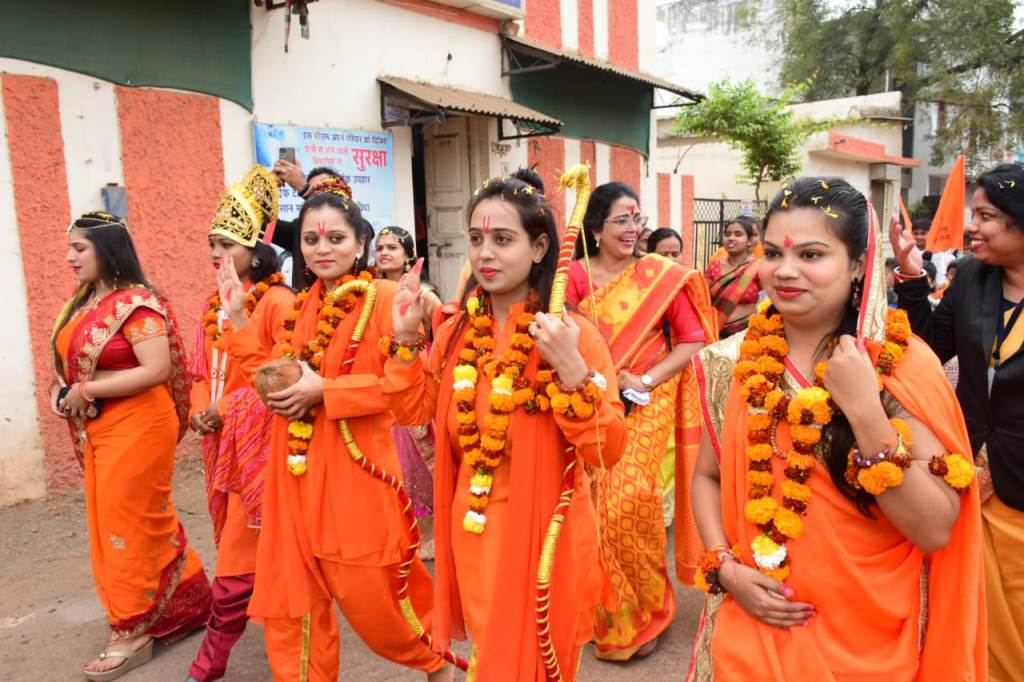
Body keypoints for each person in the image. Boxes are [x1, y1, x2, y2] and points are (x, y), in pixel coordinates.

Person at [687, 177, 984, 680]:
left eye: (811, 254)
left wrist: (866, 410)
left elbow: (934, 530)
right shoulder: (730, 363)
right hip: (753, 632)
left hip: (870, 639)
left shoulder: (902, 367)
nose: (785, 271)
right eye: (773, 253)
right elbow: (707, 477)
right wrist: (724, 568)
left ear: (857, 266)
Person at [383, 171, 627, 680]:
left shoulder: (569, 334)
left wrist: (573, 372)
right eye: (476, 239)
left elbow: (607, 450)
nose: (484, 254)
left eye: (502, 239)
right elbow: (414, 414)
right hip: (474, 533)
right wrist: (407, 344)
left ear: (540, 248)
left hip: (547, 543)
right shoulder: (455, 332)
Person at [216, 178, 452, 681]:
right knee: (291, 607)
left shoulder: (386, 297)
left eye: (336, 238)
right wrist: (238, 321)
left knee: (376, 604)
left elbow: (405, 398)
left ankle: (436, 664)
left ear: (361, 243)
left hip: (354, 475)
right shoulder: (302, 306)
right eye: (311, 239)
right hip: (292, 475)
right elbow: (274, 379)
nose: (322, 249)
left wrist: (329, 392)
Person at [50, 212, 211, 681]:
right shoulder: (82, 303)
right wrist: (60, 393)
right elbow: (68, 365)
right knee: (114, 520)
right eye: (70, 248)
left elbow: (155, 369)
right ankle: (187, 602)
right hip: (100, 426)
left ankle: (133, 628)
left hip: (141, 423)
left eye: (79, 248)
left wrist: (86, 392)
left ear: (107, 248)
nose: (69, 257)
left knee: (129, 520)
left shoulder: (137, 303)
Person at [565, 181, 717, 660]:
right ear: (596, 227)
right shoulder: (572, 277)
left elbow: (694, 340)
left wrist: (647, 379)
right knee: (589, 507)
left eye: (637, 219)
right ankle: (602, 611)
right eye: (622, 220)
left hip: (645, 397)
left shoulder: (661, 276)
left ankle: (648, 612)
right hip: (588, 400)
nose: (634, 229)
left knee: (629, 503)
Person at [892, 162, 1024, 681]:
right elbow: (924, 347)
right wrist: (908, 276)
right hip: (970, 476)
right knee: (972, 611)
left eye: (986, 216)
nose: (973, 227)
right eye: (973, 213)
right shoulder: (970, 277)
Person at [185, 167, 295, 682]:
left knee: (236, 557)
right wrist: (199, 408)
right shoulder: (213, 304)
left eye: (225, 242)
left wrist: (224, 410)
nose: (215, 252)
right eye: (211, 242)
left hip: (262, 449)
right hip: (221, 445)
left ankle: (211, 663)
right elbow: (198, 369)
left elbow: (277, 379)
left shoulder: (277, 302)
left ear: (256, 248)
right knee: (250, 549)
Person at [375, 225, 443, 558]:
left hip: (417, 375)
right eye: (380, 247)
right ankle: (406, 527)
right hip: (390, 377)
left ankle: (431, 532)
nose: (384, 253)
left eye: (392, 247)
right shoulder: (371, 292)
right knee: (397, 461)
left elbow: (443, 331)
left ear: (407, 255)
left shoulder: (425, 293)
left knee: (420, 460)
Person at [704, 216, 761, 337]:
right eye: (727, 234)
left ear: (750, 241)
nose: (731, 238)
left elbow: (770, 299)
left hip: (747, 332)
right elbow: (703, 300)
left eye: (738, 234)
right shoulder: (714, 267)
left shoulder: (758, 267)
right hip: (716, 332)